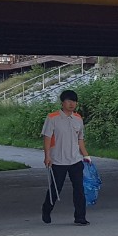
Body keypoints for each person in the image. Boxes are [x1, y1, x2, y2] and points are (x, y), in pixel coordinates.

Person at [41, 90, 91, 226]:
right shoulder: (52, 118)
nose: (71, 104)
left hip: (75, 160)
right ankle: (47, 209)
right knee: (56, 188)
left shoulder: (78, 118)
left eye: (74, 101)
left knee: (79, 189)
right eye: (68, 101)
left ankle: (80, 216)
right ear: (62, 102)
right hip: (58, 160)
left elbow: (80, 139)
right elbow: (47, 138)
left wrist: (86, 155)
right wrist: (47, 156)